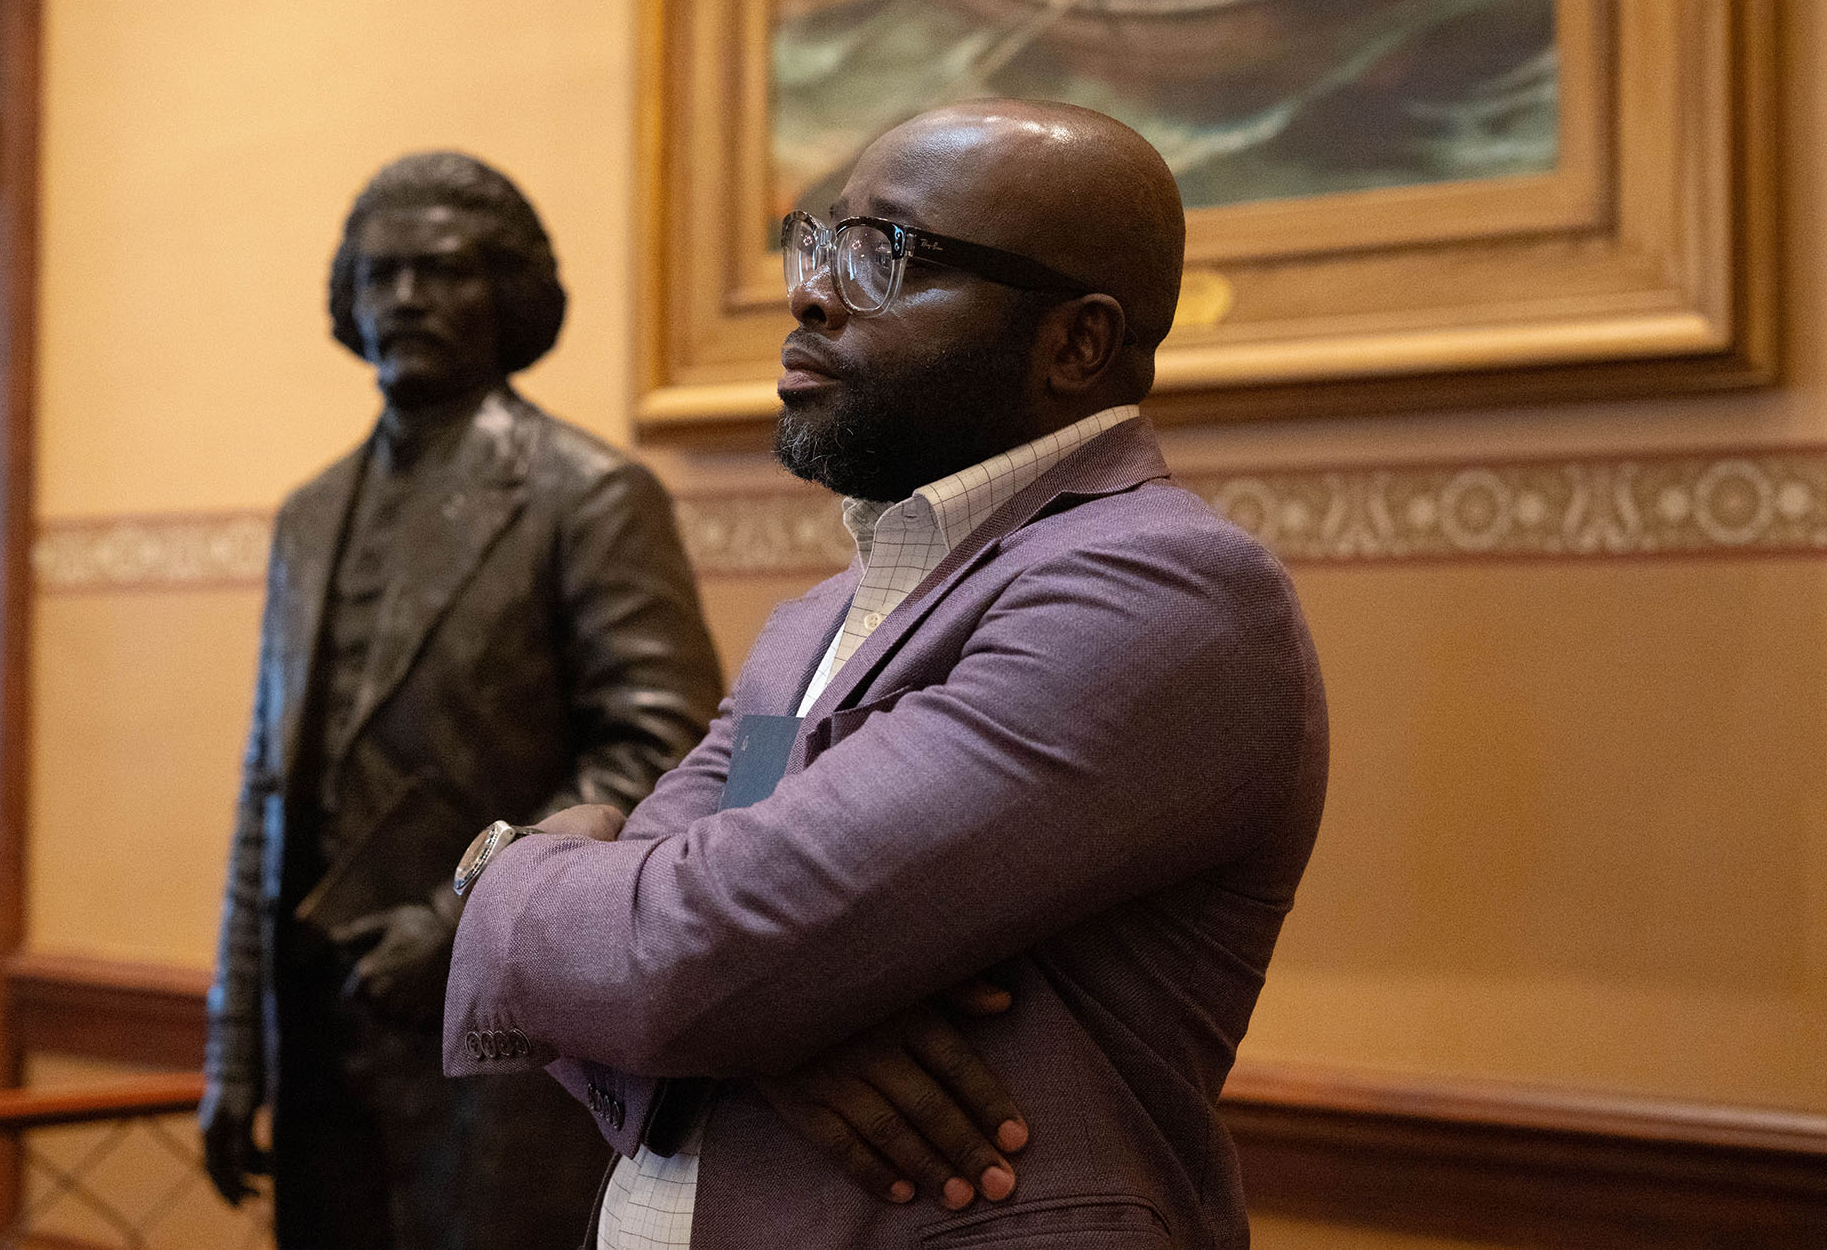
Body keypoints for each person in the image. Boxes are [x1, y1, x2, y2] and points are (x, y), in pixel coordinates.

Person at [442, 102, 1327, 1250]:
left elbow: (682, 948)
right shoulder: (812, 621)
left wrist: (503, 873)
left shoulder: (1162, 592)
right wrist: (760, 1023)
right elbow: (678, 964)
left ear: (1076, 343)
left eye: (887, 256)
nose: (810, 294)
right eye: (818, 244)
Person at [201, 152, 725, 1250]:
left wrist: (458, 923)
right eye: (379, 274)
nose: (402, 299)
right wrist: (233, 1049)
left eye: (440, 271)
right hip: (320, 1047)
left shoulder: (587, 495)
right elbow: (266, 790)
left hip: (501, 1046)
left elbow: (659, 745)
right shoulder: (308, 514)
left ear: (510, 293)